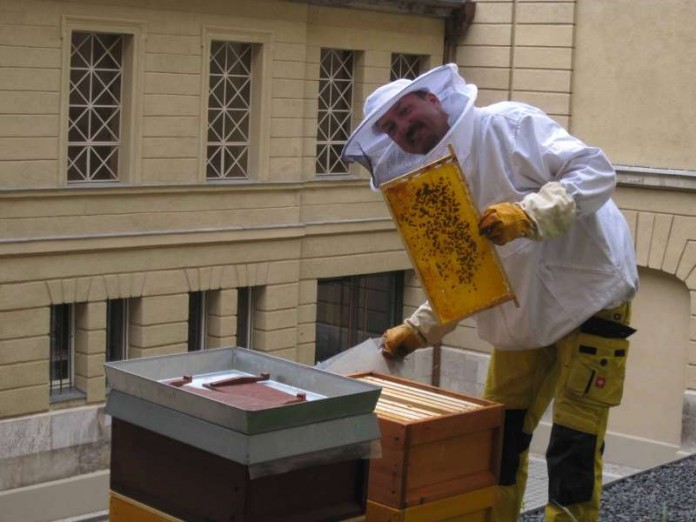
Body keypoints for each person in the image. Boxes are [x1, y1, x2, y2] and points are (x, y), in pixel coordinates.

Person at [342, 63, 639, 522]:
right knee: (497, 444)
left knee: (572, 448)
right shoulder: (428, 188)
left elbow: (596, 170)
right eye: (390, 127)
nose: (403, 127)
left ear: (434, 100)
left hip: (591, 296)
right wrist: (417, 331)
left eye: (406, 111)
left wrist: (531, 214)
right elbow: (460, 276)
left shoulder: (507, 126)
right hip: (520, 319)